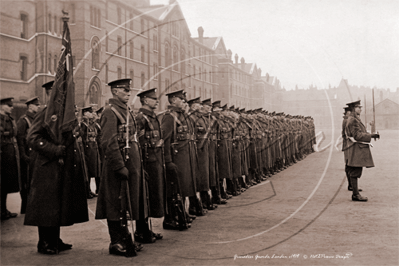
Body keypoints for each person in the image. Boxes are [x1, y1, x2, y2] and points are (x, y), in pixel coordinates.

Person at [24, 81, 89, 254]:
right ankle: (44, 242)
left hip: (61, 167)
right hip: (47, 167)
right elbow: (32, 137)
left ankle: (55, 239)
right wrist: (53, 149)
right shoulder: (45, 113)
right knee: (46, 206)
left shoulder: (64, 114)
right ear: (50, 93)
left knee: (58, 204)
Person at [95, 78, 145, 256]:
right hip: (117, 166)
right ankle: (115, 242)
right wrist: (118, 166)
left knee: (125, 202)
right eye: (124, 90)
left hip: (129, 163)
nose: (128, 93)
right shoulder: (110, 111)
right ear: (115, 91)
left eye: (129, 90)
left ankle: (126, 239)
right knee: (115, 202)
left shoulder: (127, 111)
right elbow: (108, 142)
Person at [159, 89, 196, 230]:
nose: (185, 102)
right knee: (173, 189)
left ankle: (182, 212)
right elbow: (165, 140)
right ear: (173, 100)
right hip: (176, 159)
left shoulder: (182, 115)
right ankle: (170, 218)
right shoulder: (169, 117)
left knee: (183, 187)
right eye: (182, 99)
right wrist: (168, 161)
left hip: (184, 158)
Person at [135, 88, 164, 243]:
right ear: (145, 100)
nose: (156, 101)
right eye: (153, 99)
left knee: (152, 197)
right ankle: (141, 231)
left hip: (155, 162)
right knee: (144, 197)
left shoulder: (153, 118)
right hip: (146, 163)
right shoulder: (141, 118)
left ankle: (146, 230)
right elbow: (138, 143)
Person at [344, 100, 379, 202]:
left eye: (360, 107)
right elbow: (357, 136)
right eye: (358, 107)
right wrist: (371, 135)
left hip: (356, 148)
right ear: (353, 109)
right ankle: (355, 194)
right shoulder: (353, 120)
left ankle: (355, 192)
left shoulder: (354, 119)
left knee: (355, 171)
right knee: (355, 171)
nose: (360, 109)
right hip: (357, 148)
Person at [16, 96, 40, 214]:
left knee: (33, 181)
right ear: (30, 106)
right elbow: (20, 139)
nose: (38, 106)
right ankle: (25, 207)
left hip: (35, 155)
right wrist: (23, 155)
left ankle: (31, 205)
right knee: (26, 182)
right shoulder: (23, 120)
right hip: (27, 155)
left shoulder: (35, 119)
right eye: (36, 105)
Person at [0, 97, 20, 220]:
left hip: (8, 156)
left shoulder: (10, 119)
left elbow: (14, 133)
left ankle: (3, 210)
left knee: (5, 184)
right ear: (2, 106)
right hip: (1, 155)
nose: (12, 107)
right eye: (9, 105)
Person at [81, 106, 101, 198]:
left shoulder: (92, 124)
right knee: (88, 171)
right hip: (87, 149)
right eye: (89, 112)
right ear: (84, 113)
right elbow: (83, 138)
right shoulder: (83, 125)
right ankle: (87, 190)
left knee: (94, 170)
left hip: (93, 148)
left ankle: (92, 190)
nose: (91, 114)